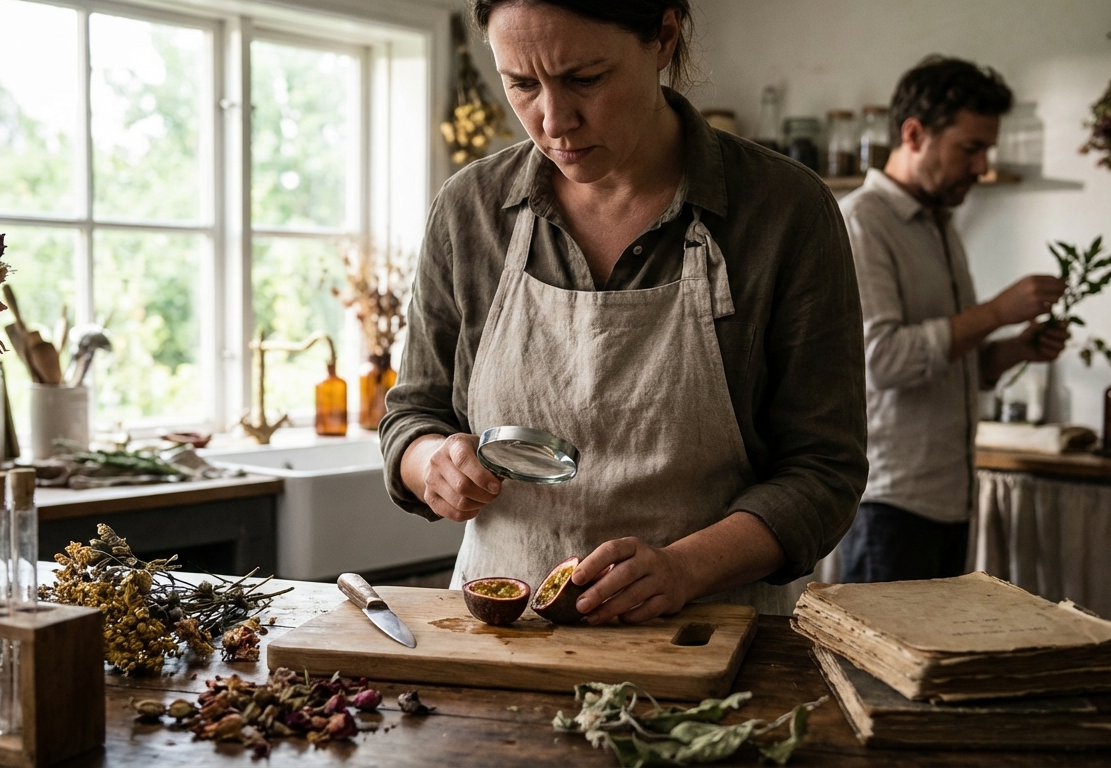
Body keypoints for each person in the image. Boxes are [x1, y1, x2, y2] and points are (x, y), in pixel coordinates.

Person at [378, 0, 867, 621]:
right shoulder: (469, 210)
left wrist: (687, 567)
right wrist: (432, 465)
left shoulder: (784, 211)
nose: (554, 121)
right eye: (521, 84)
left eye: (585, 78)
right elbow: (413, 414)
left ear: (663, 37)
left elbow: (825, 473)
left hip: (713, 638)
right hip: (504, 635)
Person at [837, 56, 1070, 583]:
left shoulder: (941, 227)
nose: (982, 166)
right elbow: (884, 361)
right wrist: (995, 312)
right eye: (971, 148)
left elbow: (953, 365)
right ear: (914, 134)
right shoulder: (861, 224)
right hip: (890, 502)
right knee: (879, 667)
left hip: (950, 498)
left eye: (987, 150)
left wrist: (1014, 349)